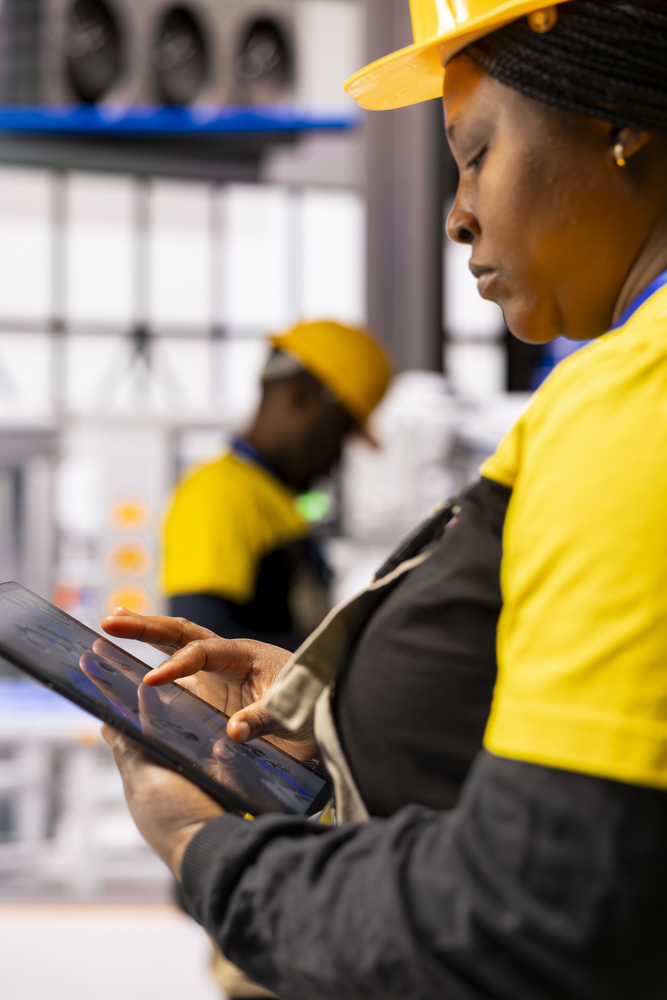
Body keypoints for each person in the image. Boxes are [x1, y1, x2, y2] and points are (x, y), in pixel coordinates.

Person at [103, 1, 667, 997]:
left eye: (474, 151)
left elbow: (541, 905)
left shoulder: (632, 398)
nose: (456, 213)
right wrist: (334, 705)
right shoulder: (221, 501)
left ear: (619, 119)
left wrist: (204, 849)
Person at [164, 320, 392, 651]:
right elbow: (200, 638)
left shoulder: (271, 496)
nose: (336, 457)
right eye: (340, 432)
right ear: (300, 399)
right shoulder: (217, 492)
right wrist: (349, 656)